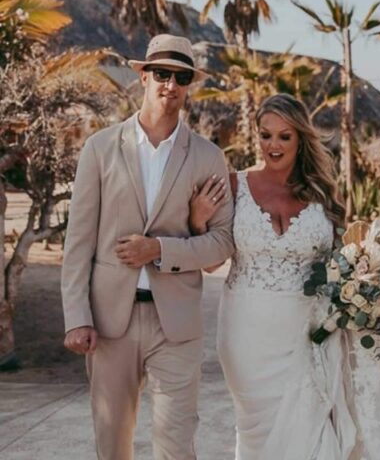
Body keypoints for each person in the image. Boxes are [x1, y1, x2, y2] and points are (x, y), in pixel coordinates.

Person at [190, 93, 380, 460]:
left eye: (284, 136)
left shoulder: (321, 193)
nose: (272, 145)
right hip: (246, 334)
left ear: (300, 139)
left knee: (314, 427)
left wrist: (367, 282)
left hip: (310, 333)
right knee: (256, 429)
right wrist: (198, 220)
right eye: (265, 134)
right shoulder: (233, 185)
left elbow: (343, 256)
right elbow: (211, 264)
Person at [61, 34, 234, 460]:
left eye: (181, 76)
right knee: (112, 441)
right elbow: (78, 242)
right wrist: (76, 317)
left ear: (189, 83)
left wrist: (159, 249)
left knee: (176, 444)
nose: (170, 85)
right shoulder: (100, 149)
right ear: (143, 76)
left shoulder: (209, 158)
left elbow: (223, 243)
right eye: (161, 73)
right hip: (108, 323)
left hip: (175, 323)